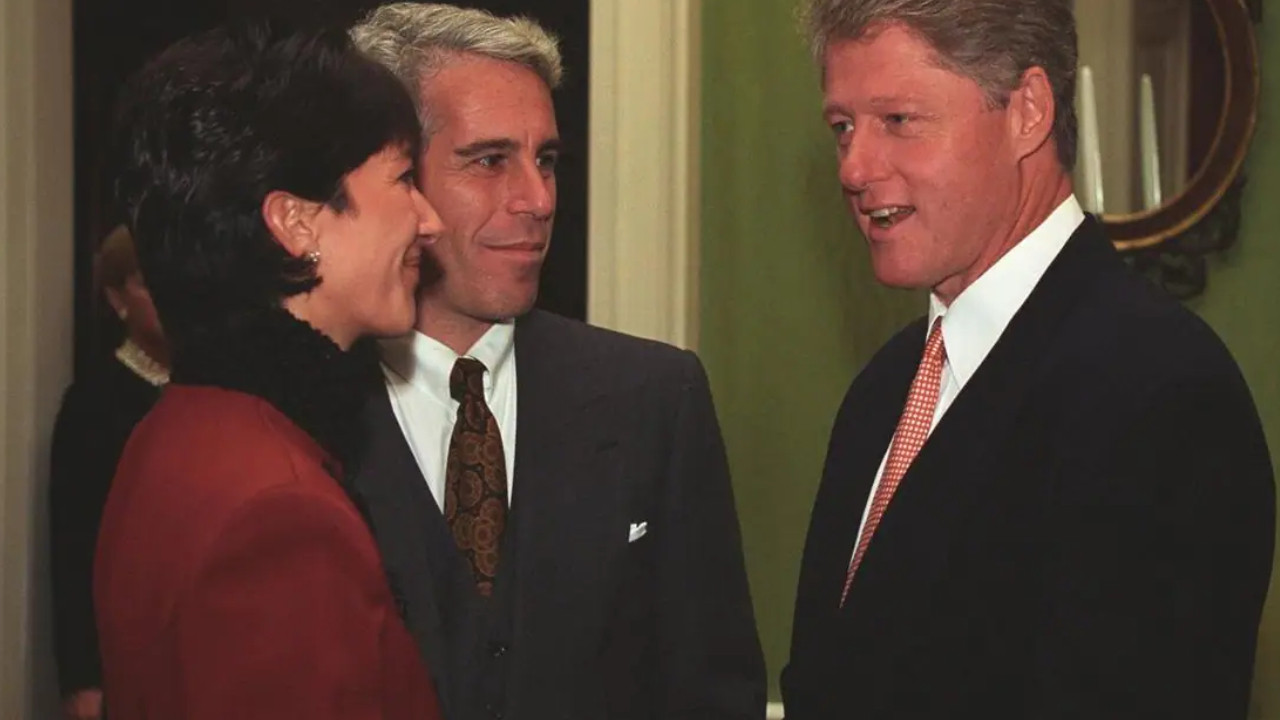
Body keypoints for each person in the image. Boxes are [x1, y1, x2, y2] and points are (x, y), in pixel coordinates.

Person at [782, 1, 1275, 717]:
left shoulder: (1161, 390)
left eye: (898, 120)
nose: (855, 167)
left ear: (1028, 112)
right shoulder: (882, 390)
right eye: (842, 128)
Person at [349, 4, 766, 718]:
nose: (538, 200)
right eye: (490, 161)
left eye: (545, 160)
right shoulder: (297, 414)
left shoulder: (653, 399)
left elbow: (712, 692)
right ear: (396, 178)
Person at [93, 21, 445, 720]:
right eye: (405, 178)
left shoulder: (179, 429)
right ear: (296, 223)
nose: (429, 220)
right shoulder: (279, 513)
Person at [49, 225, 167, 720]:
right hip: (125, 648)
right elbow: (72, 543)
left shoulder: (216, 390)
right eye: (147, 281)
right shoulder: (92, 403)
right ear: (117, 298)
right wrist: (83, 680)